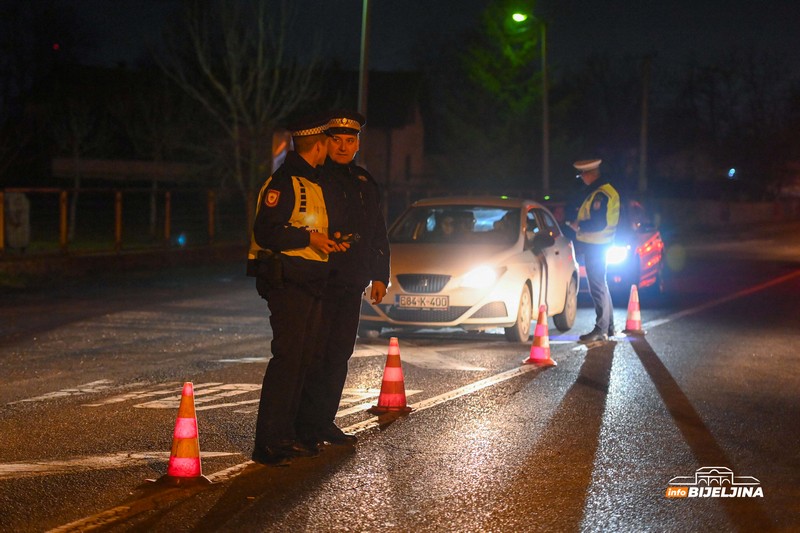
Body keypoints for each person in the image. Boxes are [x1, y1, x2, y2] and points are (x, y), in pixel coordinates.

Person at [247, 114, 349, 465]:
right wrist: (309, 237)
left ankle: (287, 435)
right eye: (328, 144)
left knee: (304, 360)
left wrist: (327, 241)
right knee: (288, 360)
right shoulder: (285, 183)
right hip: (288, 283)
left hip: (310, 282)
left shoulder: (311, 183)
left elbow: (308, 229)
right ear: (318, 145)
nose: (330, 150)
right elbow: (267, 232)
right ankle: (269, 442)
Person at [294, 109, 390, 447]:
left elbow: (377, 229)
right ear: (326, 141)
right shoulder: (315, 179)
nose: (344, 146)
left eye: (350, 141)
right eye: (337, 140)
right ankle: (304, 427)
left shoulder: (364, 181)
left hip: (352, 281)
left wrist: (381, 274)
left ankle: (324, 422)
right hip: (320, 279)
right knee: (314, 355)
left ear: (358, 144)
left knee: (338, 355)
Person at [566, 159, 620, 343]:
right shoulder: (605, 191)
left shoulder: (600, 195)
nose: (581, 179)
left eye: (582, 175)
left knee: (597, 286)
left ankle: (601, 328)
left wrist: (578, 226)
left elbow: (599, 223)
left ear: (590, 174)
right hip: (601, 244)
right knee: (601, 285)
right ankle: (609, 326)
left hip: (596, 245)